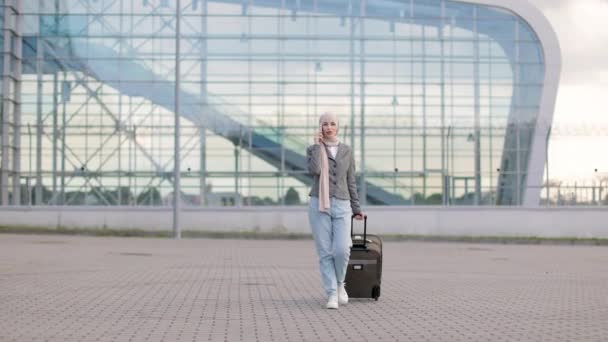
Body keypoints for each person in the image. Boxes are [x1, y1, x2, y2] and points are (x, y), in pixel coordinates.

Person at [306, 112, 364, 309]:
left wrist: (356, 208)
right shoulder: (313, 149)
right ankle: (331, 294)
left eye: (332, 124)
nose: (328, 127)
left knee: (341, 249)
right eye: (325, 124)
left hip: (342, 203)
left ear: (337, 127)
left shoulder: (346, 150)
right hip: (318, 204)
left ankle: (340, 284)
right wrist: (316, 146)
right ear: (320, 127)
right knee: (325, 252)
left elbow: (351, 181)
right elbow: (314, 171)